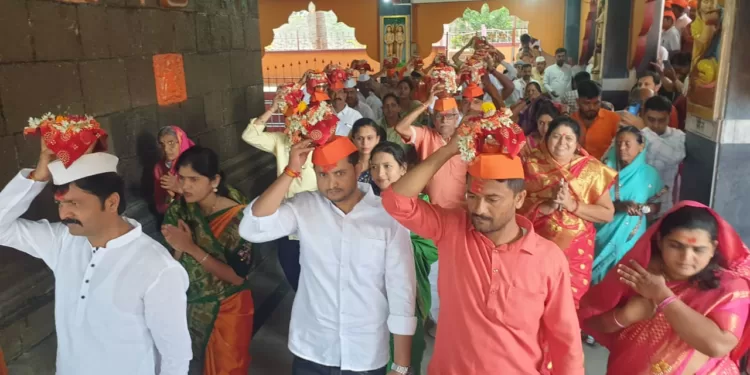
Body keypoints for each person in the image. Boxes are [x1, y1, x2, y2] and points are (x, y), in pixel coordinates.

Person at [381, 135, 584, 375]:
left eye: (492, 199)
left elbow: (565, 341)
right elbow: (396, 201)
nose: (479, 209)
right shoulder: (452, 229)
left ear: (519, 199)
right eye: (473, 196)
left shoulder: (548, 258)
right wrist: (448, 150)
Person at [0, 141, 192, 374]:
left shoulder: (158, 269)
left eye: (74, 203)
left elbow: (175, 356)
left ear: (112, 202)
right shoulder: (63, 241)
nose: (63, 214)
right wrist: (37, 177)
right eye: (60, 203)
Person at [240, 136, 417, 375]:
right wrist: (290, 172)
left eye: (340, 173)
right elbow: (252, 228)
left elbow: (402, 290)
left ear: (357, 169)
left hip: (365, 351)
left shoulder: (387, 217)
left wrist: (401, 364)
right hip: (312, 348)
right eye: (322, 175)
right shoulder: (304, 207)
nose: (331, 183)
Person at [579, 202, 750, 374]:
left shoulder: (728, 287)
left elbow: (718, 346)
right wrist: (626, 316)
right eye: (676, 246)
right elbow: (592, 322)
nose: (686, 257)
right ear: (660, 241)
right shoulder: (639, 273)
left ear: (713, 248)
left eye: (698, 250)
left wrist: (663, 297)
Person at [161, 146, 254, 374]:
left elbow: (236, 277)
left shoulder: (237, 218)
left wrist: (191, 247)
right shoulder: (180, 210)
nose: (185, 186)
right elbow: (171, 263)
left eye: (194, 179)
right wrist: (180, 248)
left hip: (229, 307)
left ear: (214, 181)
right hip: (190, 304)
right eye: (181, 178)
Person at [520, 116, 616, 307]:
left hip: (576, 251)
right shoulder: (530, 165)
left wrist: (571, 204)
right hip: (537, 246)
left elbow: (607, 213)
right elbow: (514, 207)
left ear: (576, 143)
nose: (562, 143)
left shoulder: (592, 170)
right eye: (556, 136)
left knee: (568, 307)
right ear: (546, 138)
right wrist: (544, 207)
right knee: (535, 302)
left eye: (568, 138)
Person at [369, 141, 438, 375]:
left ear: (403, 169)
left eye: (387, 166)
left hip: (410, 291)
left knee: (407, 356)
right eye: (374, 167)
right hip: (373, 294)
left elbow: (430, 249)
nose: (380, 173)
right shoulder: (367, 207)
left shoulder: (421, 207)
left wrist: (392, 248)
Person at [242, 94, 317, 291]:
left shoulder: (320, 144)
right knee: (290, 266)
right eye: (291, 119)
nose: (296, 126)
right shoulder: (282, 142)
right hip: (288, 219)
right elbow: (250, 135)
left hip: (315, 219)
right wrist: (273, 108)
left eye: (303, 120)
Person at [593, 127, 665, 284]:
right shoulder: (603, 171)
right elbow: (591, 202)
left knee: (625, 276)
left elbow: (656, 206)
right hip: (602, 233)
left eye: (627, 143)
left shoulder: (649, 174)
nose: (621, 148)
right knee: (596, 277)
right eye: (618, 143)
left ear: (641, 146)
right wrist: (619, 207)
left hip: (632, 235)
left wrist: (643, 209)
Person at [620, 96, 686, 218]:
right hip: (632, 204)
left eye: (662, 120)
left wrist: (645, 131)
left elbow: (674, 157)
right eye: (651, 119)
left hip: (662, 207)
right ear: (642, 115)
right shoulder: (631, 134)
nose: (656, 125)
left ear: (669, 117)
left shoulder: (678, 137)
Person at [571, 80, 621, 159]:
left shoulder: (613, 119)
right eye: (587, 103)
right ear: (578, 102)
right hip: (577, 167)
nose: (592, 107)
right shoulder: (570, 121)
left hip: (604, 168)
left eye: (596, 103)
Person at [154, 125, 195, 214]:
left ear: (181, 141)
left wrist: (179, 189)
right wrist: (170, 197)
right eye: (162, 144)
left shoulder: (195, 161)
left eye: (171, 143)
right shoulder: (159, 168)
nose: (166, 149)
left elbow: (206, 194)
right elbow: (161, 204)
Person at [351, 118, 386, 194]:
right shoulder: (347, 163)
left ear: (377, 139)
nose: (365, 143)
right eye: (360, 138)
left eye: (369, 138)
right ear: (353, 139)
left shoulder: (384, 164)